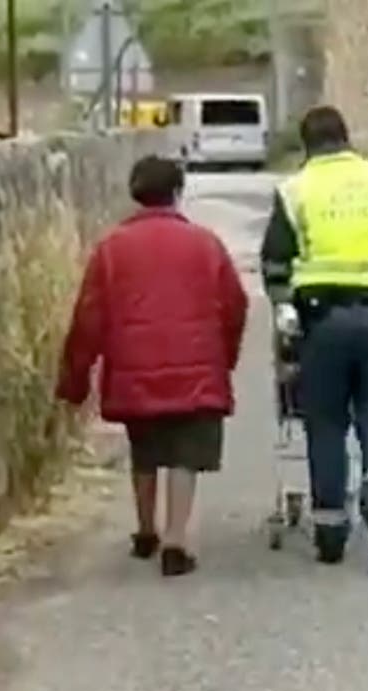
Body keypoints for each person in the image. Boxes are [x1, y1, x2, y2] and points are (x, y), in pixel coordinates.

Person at [57, 154, 248, 577]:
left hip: (133, 367)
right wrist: (224, 359)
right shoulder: (206, 243)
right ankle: (176, 539)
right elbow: (235, 305)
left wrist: (74, 379)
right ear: (177, 192)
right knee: (185, 452)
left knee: (145, 447)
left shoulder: (111, 248)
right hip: (196, 368)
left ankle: (146, 530)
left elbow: (88, 316)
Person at [259, 105, 368, 567]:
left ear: (307, 145)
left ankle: (330, 530)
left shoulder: (295, 191)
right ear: (347, 137)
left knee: (324, 421)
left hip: (321, 322)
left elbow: (275, 266)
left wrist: (286, 321)